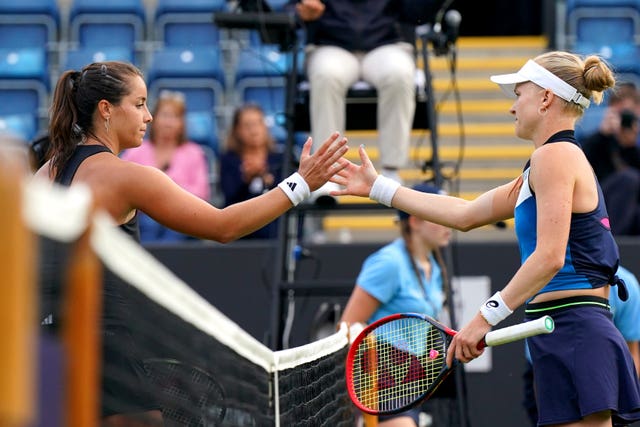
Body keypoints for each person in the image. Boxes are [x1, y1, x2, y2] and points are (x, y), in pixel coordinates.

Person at [331, 51, 640, 426]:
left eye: (518, 94)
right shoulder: (543, 164)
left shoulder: (555, 156)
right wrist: (378, 188)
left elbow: (550, 257)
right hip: (563, 329)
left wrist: (483, 318)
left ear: (545, 98)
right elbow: (464, 215)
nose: (513, 107)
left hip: (575, 328)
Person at [35, 61, 349, 425]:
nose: (149, 116)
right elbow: (223, 226)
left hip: (45, 345)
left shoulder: (47, 171)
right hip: (107, 350)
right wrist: (299, 185)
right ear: (106, 109)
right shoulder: (128, 177)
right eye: (138, 104)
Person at [340, 182, 456, 427]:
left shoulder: (434, 267)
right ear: (414, 221)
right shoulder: (389, 263)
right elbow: (348, 326)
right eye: (439, 215)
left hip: (410, 377)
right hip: (379, 378)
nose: (450, 223)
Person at [291, 0, 439, 190]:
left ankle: (391, 171)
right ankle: (326, 172)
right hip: (331, 45)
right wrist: (301, 12)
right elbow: (288, 8)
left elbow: (416, 11)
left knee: (399, 74)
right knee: (325, 75)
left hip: (386, 44)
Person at [522, 264, 640, 426]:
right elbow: (539, 364)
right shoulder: (545, 282)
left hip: (603, 373)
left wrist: (623, 403)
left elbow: (632, 351)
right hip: (550, 372)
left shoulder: (626, 282)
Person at [120, 90, 211, 243]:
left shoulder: (194, 153)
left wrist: (166, 188)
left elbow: (202, 193)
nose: (169, 122)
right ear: (154, 119)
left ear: (182, 123)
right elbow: (122, 187)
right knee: (148, 225)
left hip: (181, 217)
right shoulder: (136, 151)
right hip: (143, 218)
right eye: (165, 115)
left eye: (175, 117)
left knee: (174, 228)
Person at [219, 103, 285, 239]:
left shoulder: (280, 158)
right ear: (237, 130)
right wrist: (246, 180)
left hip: (276, 232)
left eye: (258, 123)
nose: (254, 130)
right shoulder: (229, 160)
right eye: (248, 125)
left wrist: (266, 178)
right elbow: (229, 201)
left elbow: (290, 196)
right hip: (241, 235)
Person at [582, 82, 640, 236]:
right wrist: (603, 135)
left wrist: (630, 146)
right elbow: (582, 168)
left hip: (633, 210)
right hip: (602, 203)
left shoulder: (635, 143)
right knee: (628, 179)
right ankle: (615, 244)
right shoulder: (599, 139)